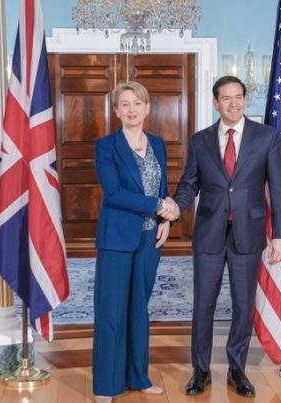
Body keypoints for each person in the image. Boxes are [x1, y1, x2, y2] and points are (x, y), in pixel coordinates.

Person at [170, 76, 281, 397]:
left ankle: (237, 369)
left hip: (248, 234)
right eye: (226, 98)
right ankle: (200, 370)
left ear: (245, 99)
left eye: (238, 97)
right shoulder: (200, 141)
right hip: (209, 234)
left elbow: (278, 188)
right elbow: (189, 184)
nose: (233, 104)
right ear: (216, 103)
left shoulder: (266, 137)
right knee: (203, 305)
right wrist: (175, 207)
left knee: (243, 305)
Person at [92, 81, 178, 403]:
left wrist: (166, 219)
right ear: (116, 111)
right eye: (125, 104)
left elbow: (162, 188)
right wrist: (158, 206)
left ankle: (138, 377)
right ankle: (107, 386)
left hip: (149, 238)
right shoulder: (106, 146)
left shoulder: (157, 143)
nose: (131, 109)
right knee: (112, 311)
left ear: (147, 108)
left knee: (139, 309)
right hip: (116, 238)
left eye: (137, 103)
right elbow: (114, 193)